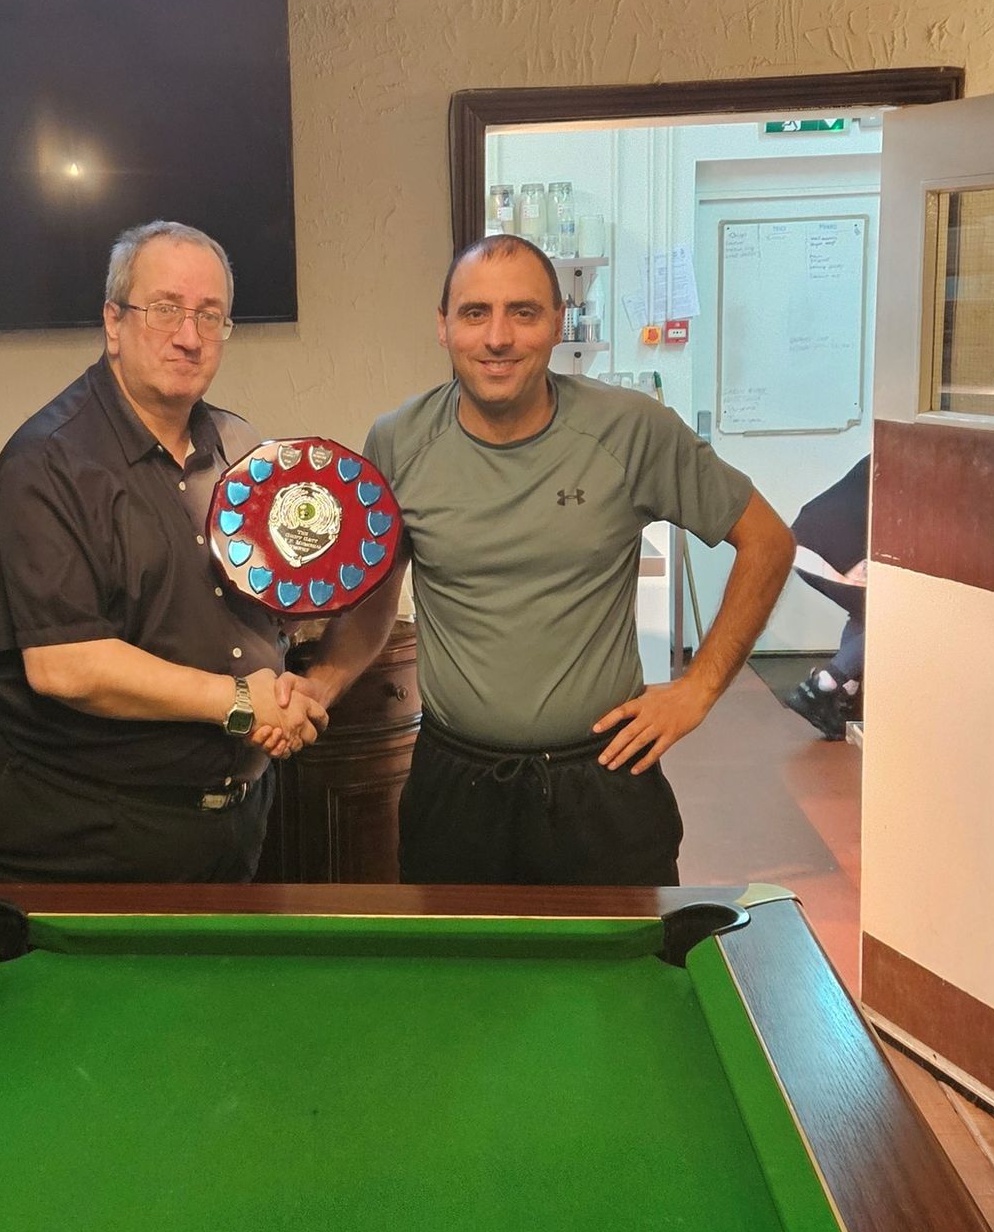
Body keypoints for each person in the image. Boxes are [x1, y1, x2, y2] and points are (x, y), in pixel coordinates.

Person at [288, 233, 795, 886]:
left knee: (620, 982)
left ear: (558, 323)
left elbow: (768, 541)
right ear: (444, 327)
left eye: (523, 312)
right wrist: (321, 683)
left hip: (604, 785)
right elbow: (375, 604)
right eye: (475, 313)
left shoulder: (631, 429)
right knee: (465, 985)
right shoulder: (398, 440)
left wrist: (699, 689)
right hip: (453, 788)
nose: (498, 337)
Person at [0, 219, 323, 884]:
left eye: (211, 315)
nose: (189, 335)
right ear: (113, 323)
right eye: (165, 309)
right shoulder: (47, 464)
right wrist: (239, 701)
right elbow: (67, 666)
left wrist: (291, 679)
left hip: (227, 818)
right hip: (80, 828)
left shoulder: (241, 445)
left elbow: (264, 599)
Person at [783, 456, 869, 739]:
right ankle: (822, 687)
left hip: (803, 540)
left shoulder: (882, 453)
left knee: (865, 611)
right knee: (889, 618)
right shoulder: (911, 465)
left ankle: (844, 694)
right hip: (830, 550)